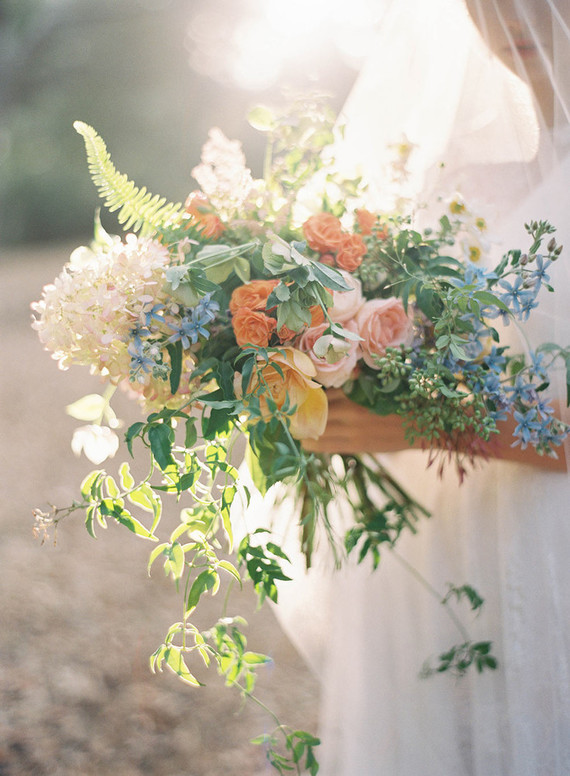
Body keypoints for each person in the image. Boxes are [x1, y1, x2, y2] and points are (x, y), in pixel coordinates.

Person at [262, 1, 570, 774]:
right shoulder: (448, 179)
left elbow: (427, 413)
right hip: (445, 558)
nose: (517, 17)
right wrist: (301, 375)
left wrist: (424, 425)